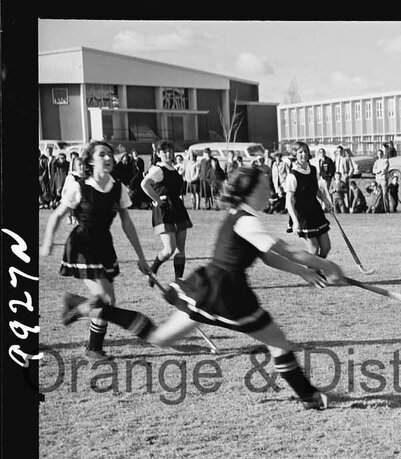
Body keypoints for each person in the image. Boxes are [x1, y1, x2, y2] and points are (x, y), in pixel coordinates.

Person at [60, 166, 347, 410]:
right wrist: (329, 266)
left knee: (159, 338)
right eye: (264, 185)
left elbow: (270, 257)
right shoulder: (247, 221)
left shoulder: (241, 215)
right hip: (227, 293)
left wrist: (305, 273)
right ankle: (309, 396)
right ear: (251, 191)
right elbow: (289, 251)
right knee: (277, 341)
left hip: (207, 289)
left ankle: (89, 306)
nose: (268, 189)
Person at [40, 140, 150, 359]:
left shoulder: (117, 187)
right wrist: (48, 242)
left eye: (110, 154)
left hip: (104, 246)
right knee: (104, 299)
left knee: (110, 301)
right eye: (102, 155)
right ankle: (80, 314)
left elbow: (127, 224)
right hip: (82, 245)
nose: (108, 158)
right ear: (90, 160)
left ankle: (92, 343)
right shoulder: (79, 186)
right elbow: (58, 215)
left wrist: (141, 257)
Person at [141, 141, 195, 285]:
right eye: (164, 151)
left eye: (170, 150)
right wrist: (158, 200)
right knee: (169, 249)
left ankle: (178, 282)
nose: (168, 153)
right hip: (165, 209)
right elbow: (144, 184)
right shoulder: (157, 169)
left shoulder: (173, 168)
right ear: (158, 154)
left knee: (180, 250)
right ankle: (151, 272)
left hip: (177, 207)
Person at [284, 141, 335, 257]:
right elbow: (288, 202)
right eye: (300, 152)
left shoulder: (313, 170)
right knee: (314, 249)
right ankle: (313, 272)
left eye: (305, 151)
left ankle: (317, 270)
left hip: (316, 211)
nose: (303, 154)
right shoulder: (292, 175)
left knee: (326, 247)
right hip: (303, 215)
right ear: (295, 155)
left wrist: (326, 201)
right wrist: (295, 222)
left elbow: (316, 190)